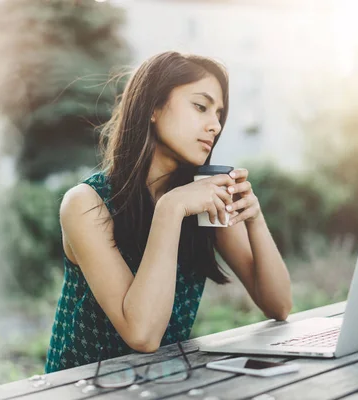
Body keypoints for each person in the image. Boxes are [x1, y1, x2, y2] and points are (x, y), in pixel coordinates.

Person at [45, 51, 292, 372]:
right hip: (81, 388)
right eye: (201, 107)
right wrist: (171, 208)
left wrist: (254, 218)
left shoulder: (205, 197)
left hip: (164, 383)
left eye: (219, 114)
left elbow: (279, 305)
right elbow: (142, 334)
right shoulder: (86, 203)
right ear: (153, 107)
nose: (215, 125)